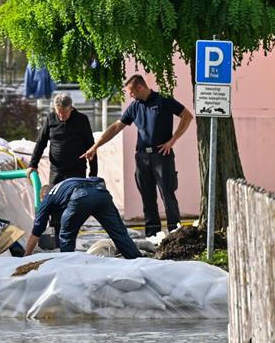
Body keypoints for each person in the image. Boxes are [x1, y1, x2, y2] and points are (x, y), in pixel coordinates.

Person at [81, 75, 194, 238]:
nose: (130, 96)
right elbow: (116, 127)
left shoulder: (163, 100)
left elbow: (187, 116)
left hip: (162, 155)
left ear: (140, 87)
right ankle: (153, 235)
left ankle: (174, 234)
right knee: (148, 199)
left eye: (131, 92)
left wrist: (172, 140)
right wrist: (95, 146)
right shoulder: (134, 107)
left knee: (167, 195)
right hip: (142, 157)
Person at [23, 176, 142, 259]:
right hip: (101, 193)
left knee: (66, 236)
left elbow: (36, 231)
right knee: (119, 233)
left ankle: (68, 266)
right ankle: (138, 261)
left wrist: (27, 255)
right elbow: (100, 180)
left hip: (80, 196)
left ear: (43, 196)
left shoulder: (48, 198)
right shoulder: (65, 184)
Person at [27, 92, 97, 186]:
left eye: (64, 113)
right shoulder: (50, 118)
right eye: (58, 112)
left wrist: (93, 174)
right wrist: (33, 164)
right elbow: (41, 142)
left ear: (71, 109)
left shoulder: (81, 120)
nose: (61, 116)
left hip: (76, 171)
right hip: (56, 172)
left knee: (75, 199)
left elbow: (91, 146)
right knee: (54, 199)